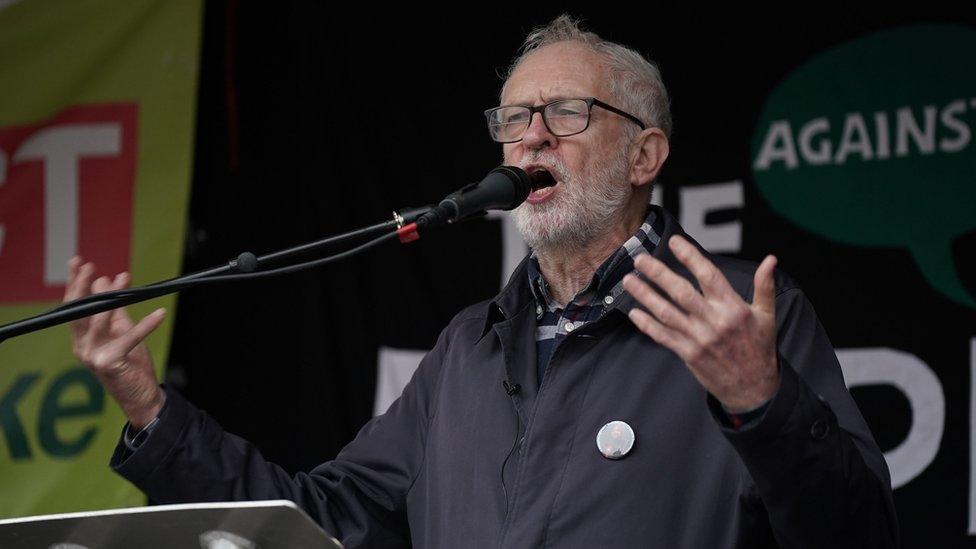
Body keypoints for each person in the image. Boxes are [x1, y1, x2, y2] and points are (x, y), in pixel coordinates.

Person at [66, 15, 898, 548]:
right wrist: (150, 408)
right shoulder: (470, 346)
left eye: (567, 113)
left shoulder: (736, 316)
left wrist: (763, 402)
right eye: (513, 119)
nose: (531, 138)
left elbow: (857, 534)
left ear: (644, 155)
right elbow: (319, 523)